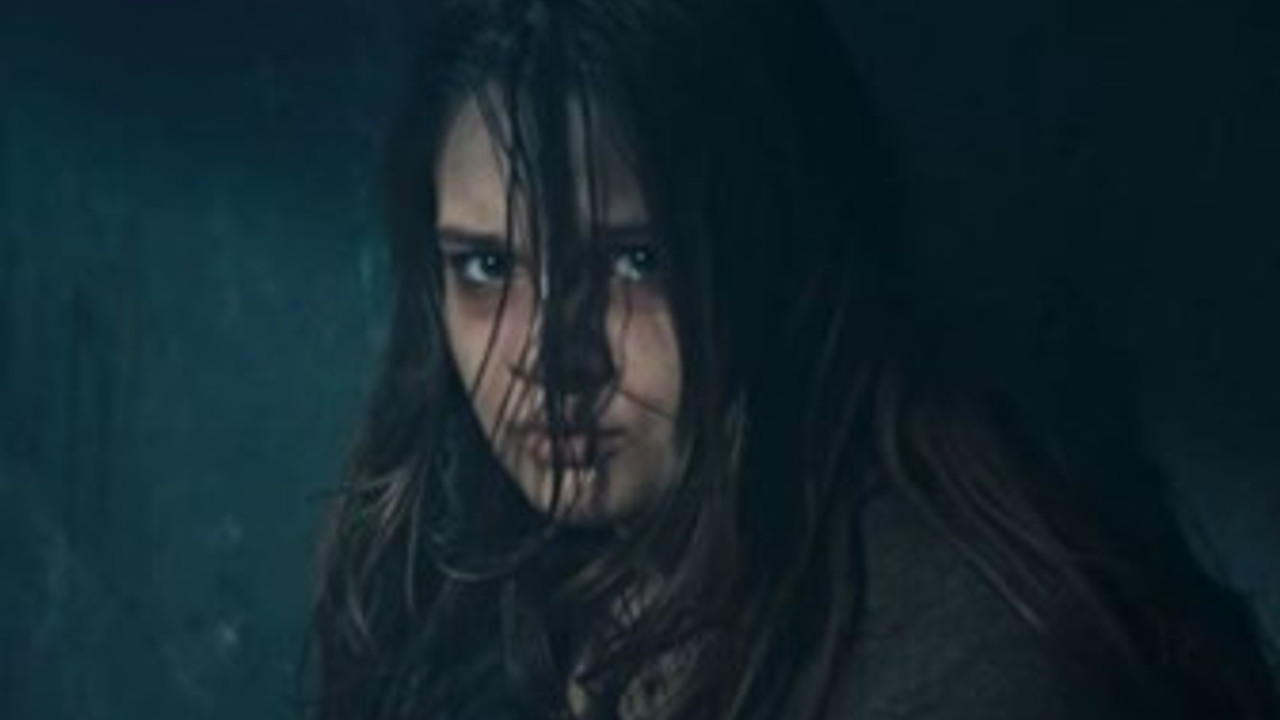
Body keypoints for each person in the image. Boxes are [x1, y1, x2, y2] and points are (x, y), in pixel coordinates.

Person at [306, 0, 1279, 717]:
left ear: (775, 260)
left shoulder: (964, 673)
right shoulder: (479, 596)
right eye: (485, 266)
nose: (544, 358)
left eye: (635, 260)